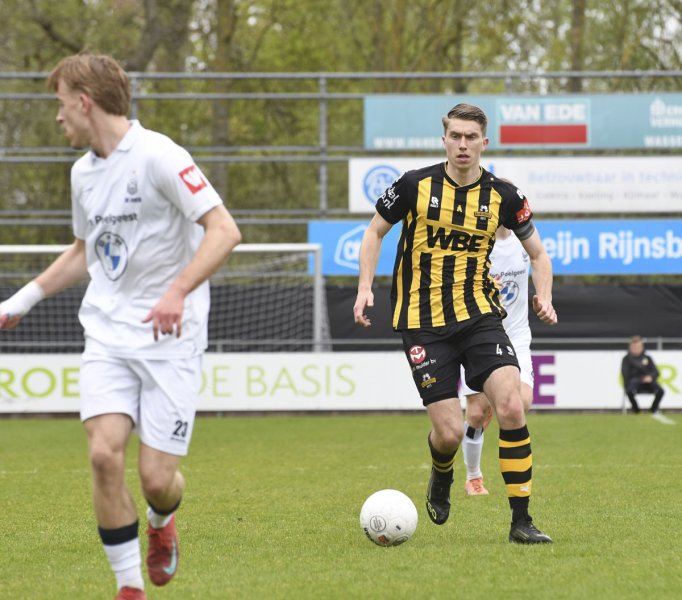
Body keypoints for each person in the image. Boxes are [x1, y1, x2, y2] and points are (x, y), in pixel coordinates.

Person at [0, 54, 242, 600]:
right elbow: (84, 252)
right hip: (107, 333)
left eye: (61, 104)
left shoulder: (160, 155)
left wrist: (177, 291)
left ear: (84, 102)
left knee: (157, 479)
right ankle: (129, 586)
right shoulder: (82, 174)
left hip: (170, 338)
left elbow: (224, 231)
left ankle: (162, 520)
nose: (58, 116)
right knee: (103, 454)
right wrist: (22, 299)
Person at [353, 102, 557, 544]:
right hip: (422, 322)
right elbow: (373, 232)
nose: (463, 144)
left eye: (471, 137)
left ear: (485, 142)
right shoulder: (414, 185)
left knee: (511, 406)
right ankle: (442, 471)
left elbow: (539, 254)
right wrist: (365, 286)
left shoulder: (504, 196)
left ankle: (521, 521)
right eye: (456, 136)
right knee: (448, 433)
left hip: (479, 315)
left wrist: (544, 294)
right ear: (444, 140)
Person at [459, 225, 535, 497]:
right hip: (479, 334)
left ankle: (496, 398)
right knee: (476, 413)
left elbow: (542, 259)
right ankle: (473, 477)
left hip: (516, 335)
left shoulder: (524, 240)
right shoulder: (474, 241)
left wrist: (544, 296)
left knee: (522, 402)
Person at [621, 336, 665, 414]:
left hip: (648, 383)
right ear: (630, 348)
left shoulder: (647, 358)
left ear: (642, 347)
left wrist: (650, 377)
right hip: (634, 382)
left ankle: (653, 409)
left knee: (660, 391)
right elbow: (625, 373)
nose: (636, 349)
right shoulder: (626, 359)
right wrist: (640, 379)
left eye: (638, 347)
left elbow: (656, 372)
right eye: (634, 347)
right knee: (629, 391)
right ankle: (636, 410)